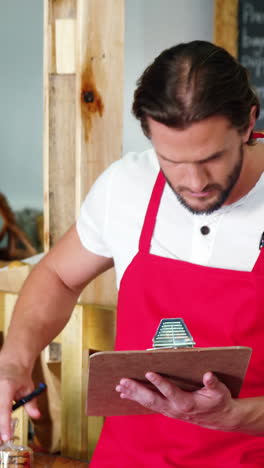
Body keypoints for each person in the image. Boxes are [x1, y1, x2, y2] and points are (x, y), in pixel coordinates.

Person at [1, 39, 264, 466]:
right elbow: (58, 276)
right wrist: (14, 360)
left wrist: (235, 416)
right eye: (171, 159)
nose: (194, 181)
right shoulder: (127, 185)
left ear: (249, 123)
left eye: (212, 158)